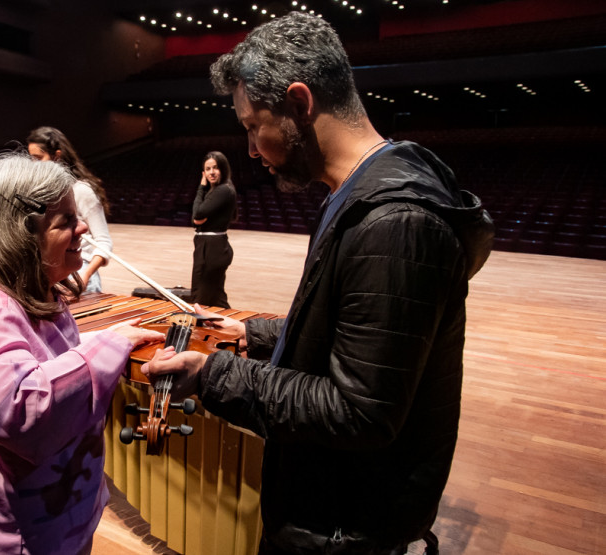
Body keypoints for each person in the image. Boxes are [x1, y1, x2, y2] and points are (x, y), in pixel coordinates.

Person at [142, 12, 494, 554]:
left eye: (252, 126)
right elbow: (347, 335)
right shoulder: (358, 196)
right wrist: (252, 334)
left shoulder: (394, 223)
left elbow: (359, 412)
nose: (253, 151)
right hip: (336, 505)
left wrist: (214, 373)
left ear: (300, 104)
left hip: (346, 524)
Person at [0, 152, 163, 554]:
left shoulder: (41, 290)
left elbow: (46, 364)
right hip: (8, 540)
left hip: (49, 525)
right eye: (65, 220)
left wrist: (104, 341)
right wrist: (107, 347)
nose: (83, 226)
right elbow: (19, 410)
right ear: (22, 236)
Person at [27, 126, 113, 293]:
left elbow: (104, 242)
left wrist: (85, 276)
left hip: (79, 272)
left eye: (38, 158)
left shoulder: (81, 190)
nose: (33, 164)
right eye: (31, 159)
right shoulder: (43, 191)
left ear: (56, 156)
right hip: (55, 272)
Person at [191, 150, 237, 308]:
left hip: (212, 248)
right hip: (210, 246)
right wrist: (198, 220)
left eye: (215, 168)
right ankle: (234, 329)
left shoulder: (223, 190)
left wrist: (201, 187)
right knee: (216, 297)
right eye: (208, 169)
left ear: (223, 168)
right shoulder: (218, 190)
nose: (211, 172)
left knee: (200, 298)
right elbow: (196, 220)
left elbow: (197, 214)